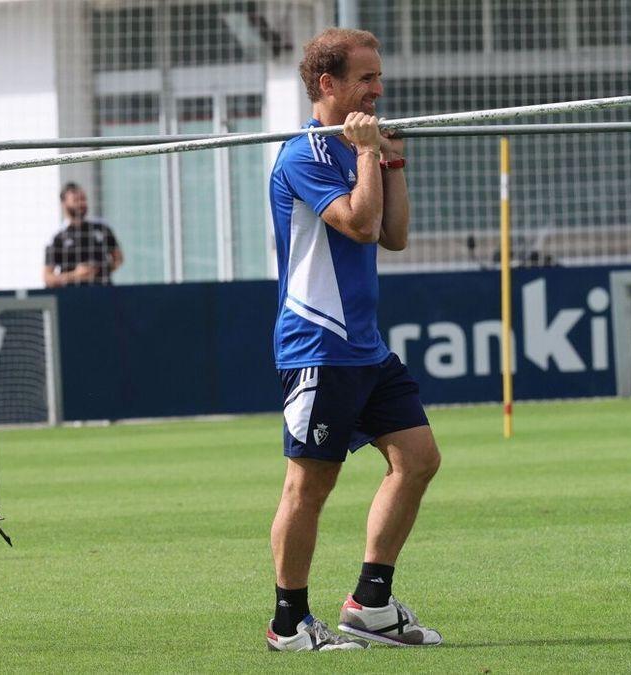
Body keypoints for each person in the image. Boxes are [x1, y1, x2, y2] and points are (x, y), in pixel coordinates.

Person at [264, 27, 442, 652]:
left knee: (418, 459)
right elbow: (360, 225)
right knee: (309, 485)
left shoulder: (358, 145)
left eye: (379, 75)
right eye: (367, 78)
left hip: (364, 347)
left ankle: (370, 603)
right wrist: (368, 155)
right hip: (317, 345)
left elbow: (394, 234)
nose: (379, 87)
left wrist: (390, 158)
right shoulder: (303, 154)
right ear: (327, 85)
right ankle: (288, 624)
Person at [43, 183, 123, 287]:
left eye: (83, 199)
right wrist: (75, 275)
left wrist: (101, 270)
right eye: (76, 200)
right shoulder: (57, 238)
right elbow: (48, 278)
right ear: (64, 203)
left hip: (104, 291)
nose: (81, 203)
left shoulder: (102, 228)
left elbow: (119, 258)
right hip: (72, 296)